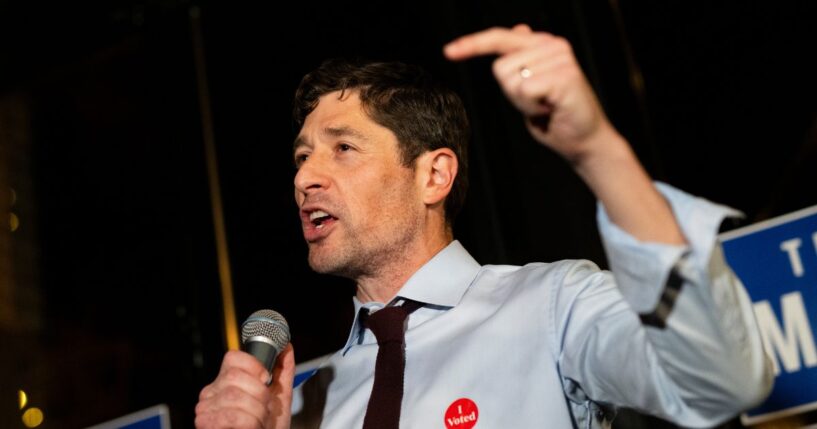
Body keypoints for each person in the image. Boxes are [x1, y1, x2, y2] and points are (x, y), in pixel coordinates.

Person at [194, 24, 773, 429]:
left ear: (433, 176)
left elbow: (719, 381)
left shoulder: (553, 305)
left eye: (342, 148)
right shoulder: (303, 406)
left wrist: (596, 149)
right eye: (301, 157)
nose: (304, 178)